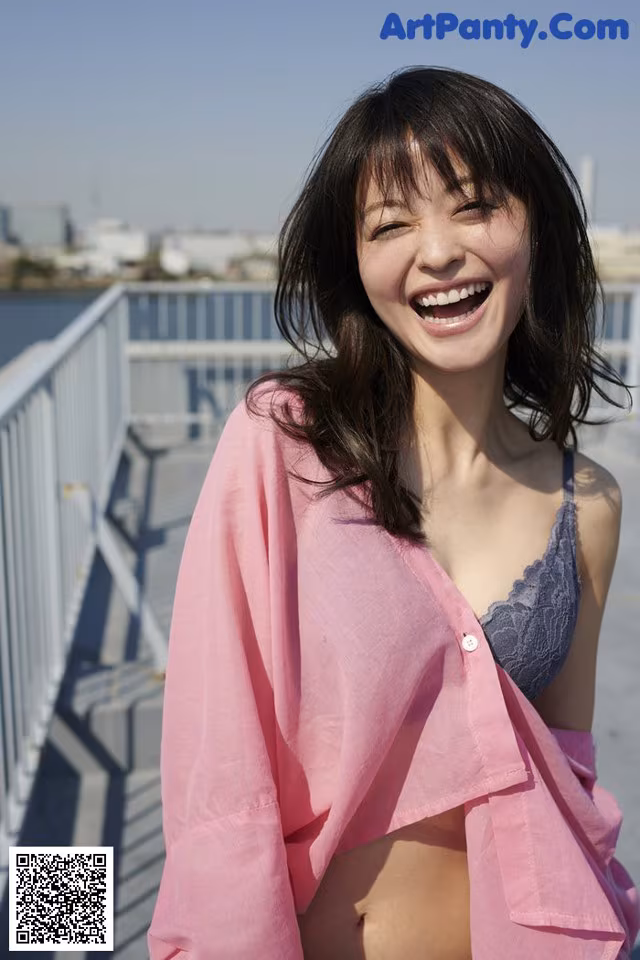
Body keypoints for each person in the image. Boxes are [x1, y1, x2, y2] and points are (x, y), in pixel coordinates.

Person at [148, 66, 639, 960]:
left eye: (474, 206)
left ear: (537, 230)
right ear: (360, 266)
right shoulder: (282, 444)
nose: (439, 250)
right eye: (392, 225)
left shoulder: (588, 502)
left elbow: (568, 771)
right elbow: (214, 763)